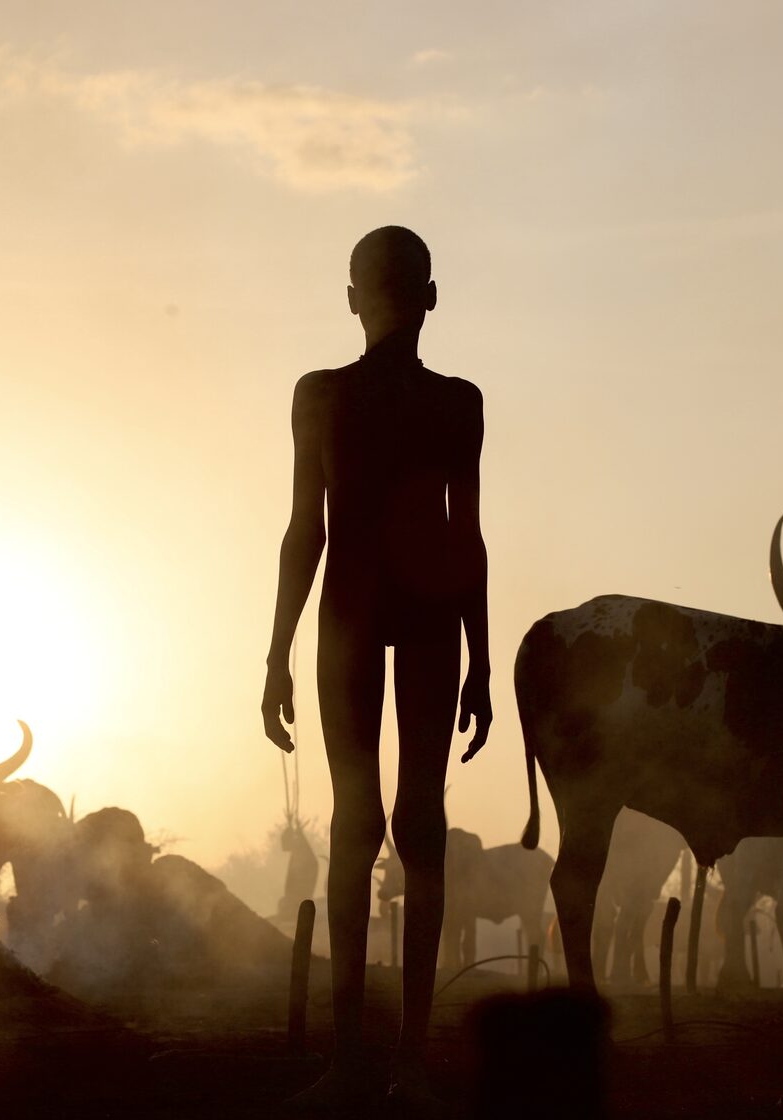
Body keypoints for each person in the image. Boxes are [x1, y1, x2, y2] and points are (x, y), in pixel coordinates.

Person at [262, 226, 492, 1107]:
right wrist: (477, 651)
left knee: (355, 827)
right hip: (432, 618)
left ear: (353, 298)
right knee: (418, 826)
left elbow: (304, 533)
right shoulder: (457, 402)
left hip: (350, 621)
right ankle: (406, 1062)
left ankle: (354, 1056)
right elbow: (465, 537)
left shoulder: (320, 396)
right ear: (430, 298)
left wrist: (277, 650)